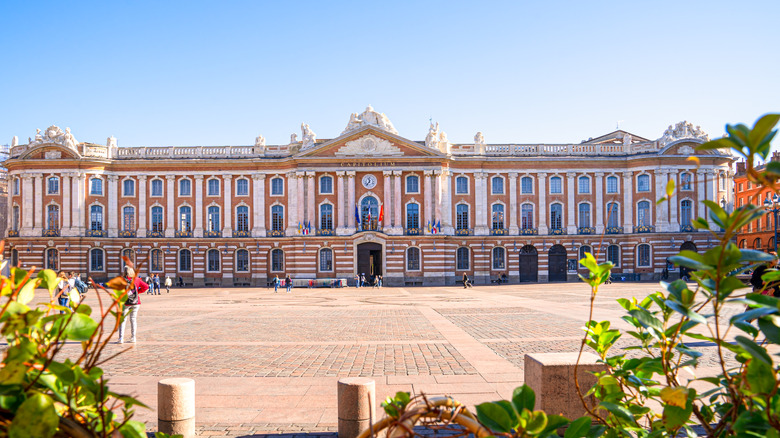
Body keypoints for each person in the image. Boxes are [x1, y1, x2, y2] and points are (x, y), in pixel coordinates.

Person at [118, 266, 149, 344]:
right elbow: (146, 286)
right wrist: (138, 292)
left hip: (125, 302)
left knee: (123, 320)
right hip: (136, 302)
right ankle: (133, 338)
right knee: (133, 319)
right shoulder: (137, 279)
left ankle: (121, 338)